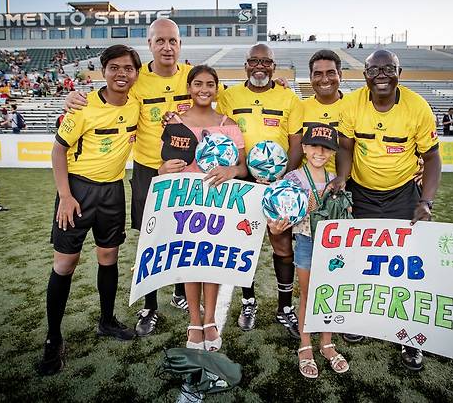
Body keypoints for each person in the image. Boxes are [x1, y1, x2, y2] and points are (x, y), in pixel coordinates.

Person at [64, 18, 200, 335]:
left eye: (173, 41)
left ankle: (181, 293)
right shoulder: (137, 80)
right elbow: (107, 96)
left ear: (180, 45)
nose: (167, 47)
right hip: (148, 170)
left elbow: (216, 103)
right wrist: (71, 100)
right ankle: (149, 305)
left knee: (185, 234)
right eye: (160, 41)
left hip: (187, 170)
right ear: (149, 44)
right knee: (150, 238)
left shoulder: (192, 77)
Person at [330, 49, 442, 371]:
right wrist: (342, 178)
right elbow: (346, 147)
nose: (381, 74)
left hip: (403, 194)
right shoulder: (351, 104)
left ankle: (410, 339)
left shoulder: (417, 107)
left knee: (407, 268)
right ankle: (357, 320)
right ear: (364, 75)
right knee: (358, 262)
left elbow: (432, 157)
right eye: (374, 69)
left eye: (387, 69)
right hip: (361, 193)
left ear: (399, 72)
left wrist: (426, 201)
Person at [38, 45, 142, 376]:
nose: (121, 73)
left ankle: (106, 321)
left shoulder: (137, 104)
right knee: (65, 263)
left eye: (128, 68)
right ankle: (54, 339)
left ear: (136, 74)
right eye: (114, 67)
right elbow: (57, 152)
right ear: (103, 71)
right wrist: (65, 196)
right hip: (78, 190)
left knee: (108, 258)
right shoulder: (82, 107)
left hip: (113, 190)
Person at [216, 43, 303, 339]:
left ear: (274, 68)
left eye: (266, 62)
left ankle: (284, 308)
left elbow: (295, 144)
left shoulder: (289, 98)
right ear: (245, 65)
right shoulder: (228, 97)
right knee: (244, 244)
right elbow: (200, 106)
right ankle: (248, 302)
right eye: (254, 61)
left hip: (278, 185)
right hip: (241, 183)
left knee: (282, 245)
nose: (260, 67)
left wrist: (283, 180)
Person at [159, 65, 247, 351]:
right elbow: (165, 162)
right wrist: (162, 170)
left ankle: (210, 319)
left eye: (210, 84)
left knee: (212, 263)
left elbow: (243, 166)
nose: (204, 89)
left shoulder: (228, 123)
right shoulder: (175, 124)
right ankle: (194, 321)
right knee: (189, 262)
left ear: (216, 88)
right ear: (189, 87)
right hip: (185, 203)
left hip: (218, 203)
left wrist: (232, 170)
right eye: (198, 84)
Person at [270, 123, 349, 378]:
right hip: (306, 241)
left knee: (330, 293)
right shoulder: (293, 178)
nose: (320, 152)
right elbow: (281, 213)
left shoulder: (336, 179)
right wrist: (276, 225)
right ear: (303, 147)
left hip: (333, 246)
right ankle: (305, 344)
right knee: (307, 295)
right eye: (314, 145)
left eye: (327, 148)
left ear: (333, 152)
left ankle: (327, 343)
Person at [296, 49, 365, 344]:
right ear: (310, 77)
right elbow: (295, 147)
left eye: (330, 72)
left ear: (340, 75)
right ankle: (304, 331)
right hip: (309, 195)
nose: (324, 79)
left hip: (350, 191)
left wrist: (418, 163)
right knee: (307, 265)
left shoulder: (354, 105)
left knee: (345, 261)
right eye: (317, 73)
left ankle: (345, 318)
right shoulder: (300, 108)